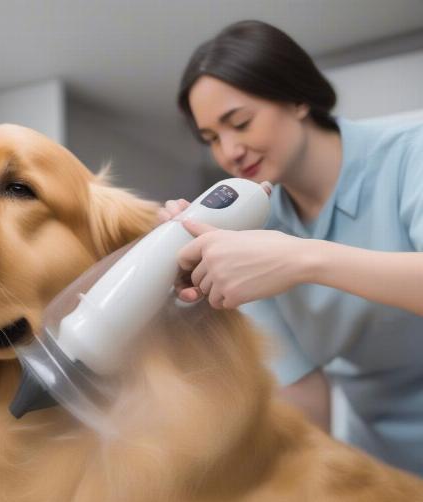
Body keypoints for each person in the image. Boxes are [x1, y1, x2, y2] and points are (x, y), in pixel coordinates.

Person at [159, 20, 423, 477]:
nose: (230, 152)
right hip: (384, 458)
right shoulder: (252, 229)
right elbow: (301, 393)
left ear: (298, 97)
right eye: (211, 139)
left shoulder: (409, 151)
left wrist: (302, 259)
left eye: (239, 123)